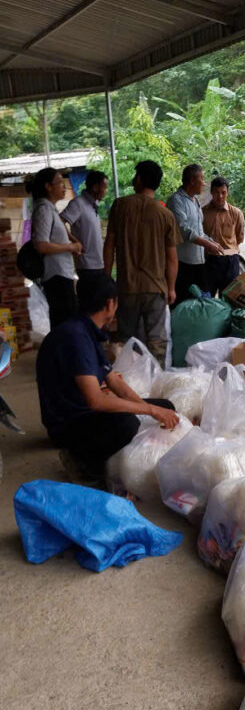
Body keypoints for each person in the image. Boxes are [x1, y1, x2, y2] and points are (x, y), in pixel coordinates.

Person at [36, 271, 178, 485]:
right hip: (68, 425)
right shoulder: (76, 337)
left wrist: (149, 409)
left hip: (86, 412)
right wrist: (148, 411)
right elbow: (96, 400)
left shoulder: (86, 330)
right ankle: (82, 462)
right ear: (111, 303)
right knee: (127, 424)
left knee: (166, 406)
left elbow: (113, 381)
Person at [103, 160, 181, 366]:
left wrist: (107, 278)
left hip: (127, 287)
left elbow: (109, 246)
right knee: (156, 341)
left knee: (125, 339)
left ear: (138, 179)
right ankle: (156, 380)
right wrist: (171, 288)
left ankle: (125, 378)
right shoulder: (165, 214)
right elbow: (172, 258)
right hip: (155, 288)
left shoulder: (120, 206)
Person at [30, 167, 83, 328]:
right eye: (60, 182)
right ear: (48, 186)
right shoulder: (43, 209)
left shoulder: (50, 209)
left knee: (68, 320)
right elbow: (41, 245)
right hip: (55, 274)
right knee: (64, 322)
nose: (64, 187)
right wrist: (70, 247)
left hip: (62, 273)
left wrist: (74, 243)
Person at [166, 163, 224, 304]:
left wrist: (211, 241)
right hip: (183, 264)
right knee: (183, 304)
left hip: (199, 263)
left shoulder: (195, 200)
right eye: (202, 179)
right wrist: (207, 244)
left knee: (201, 303)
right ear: (192, 180)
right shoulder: (176, 200)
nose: (204, 183)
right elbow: (184, 230)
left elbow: (199, 231)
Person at [61, 169, 108, 283]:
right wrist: (75, 242)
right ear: (95, 187)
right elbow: (59, 222)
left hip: (98, 263)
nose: (106, 192)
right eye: (104, 188)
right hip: (87, 265)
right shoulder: (78, 203)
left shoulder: (93, 204)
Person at [201, 176, 245, 297]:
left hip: (230, 262)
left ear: (227, 193)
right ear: (211, 192)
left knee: (229, 299)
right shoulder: (202, 212)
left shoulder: (236, 213)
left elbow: (240, 237)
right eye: (216, 192)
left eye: (223, 192)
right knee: (207, 299)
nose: (220, 196)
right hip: (209, 261)